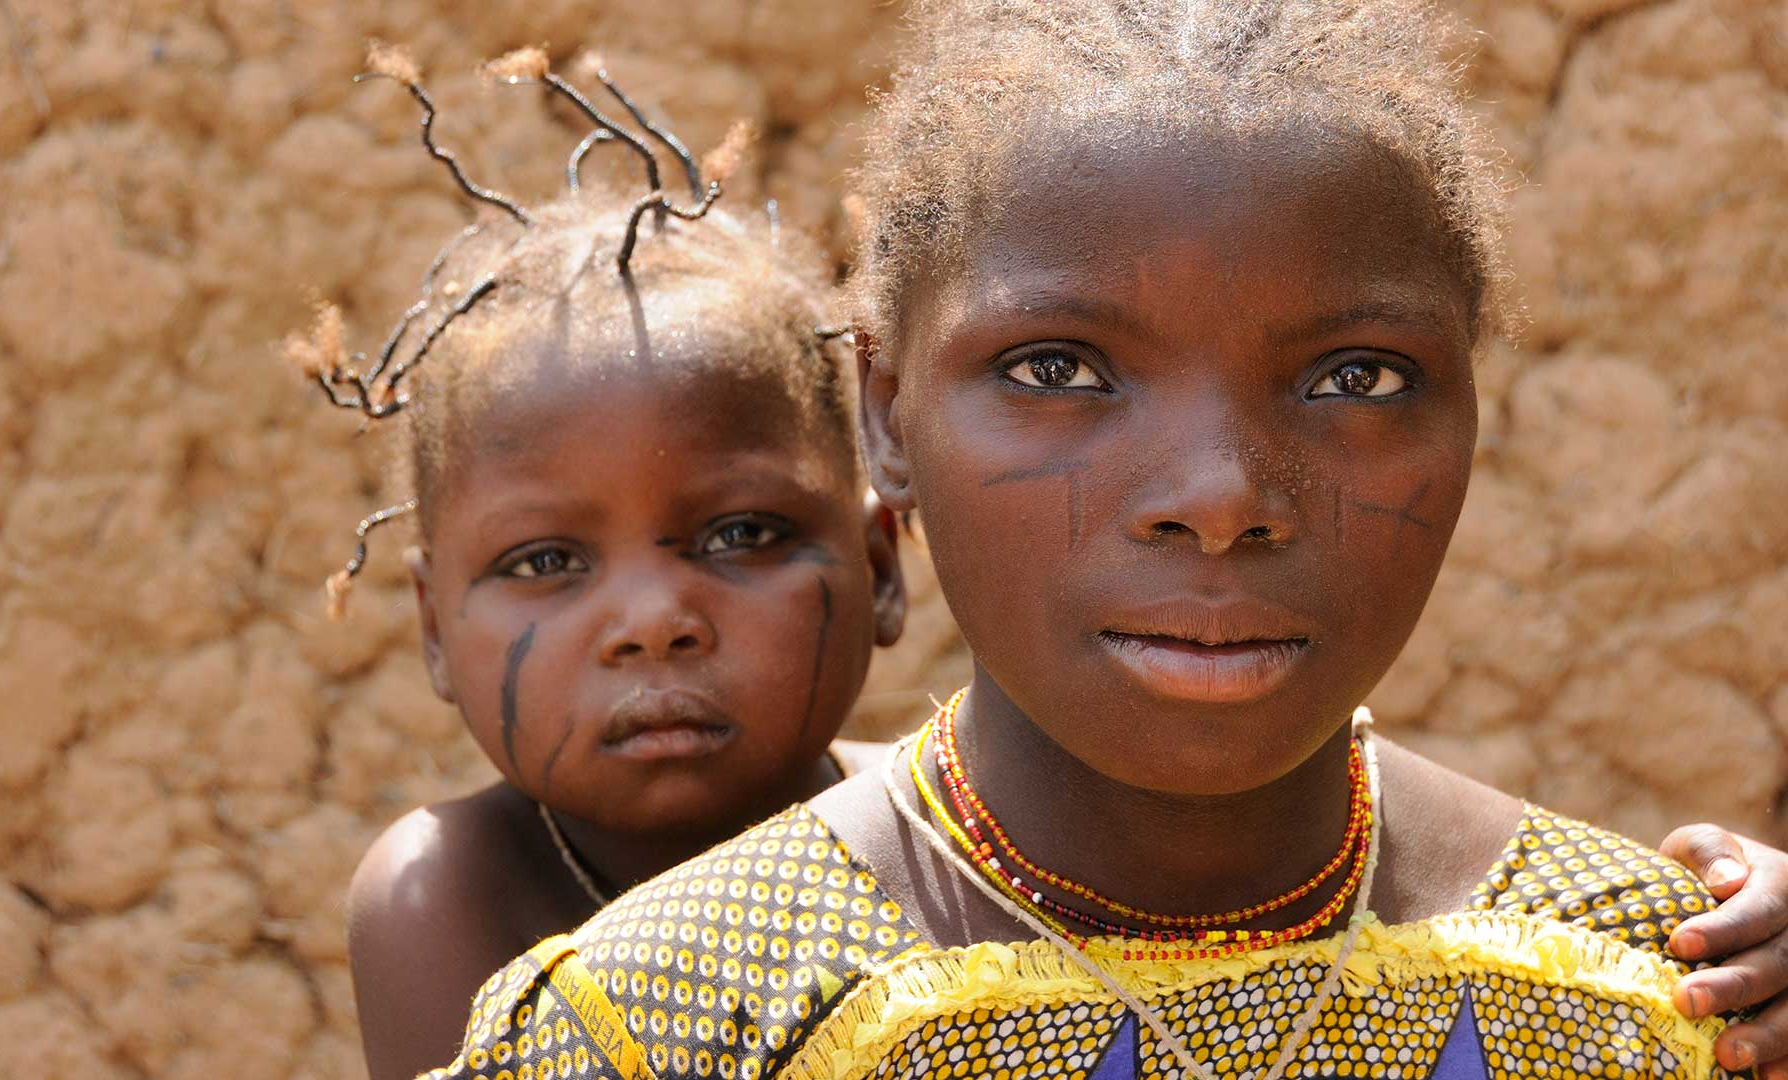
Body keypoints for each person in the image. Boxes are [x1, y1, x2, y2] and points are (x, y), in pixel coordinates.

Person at [420, 4, 1788, 1079]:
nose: (1218, 494)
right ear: (887, 419)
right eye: (1060, 368)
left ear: (1471, 412)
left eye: (1355, 378)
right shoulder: (658, 1026)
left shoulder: (1668, 997)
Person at [284, 45, 906, 1080]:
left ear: (881, 568)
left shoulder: (952, 834)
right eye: (547, 560)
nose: (654, 618)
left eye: (742, 535)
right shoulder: (450, 897)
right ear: (436, 632)